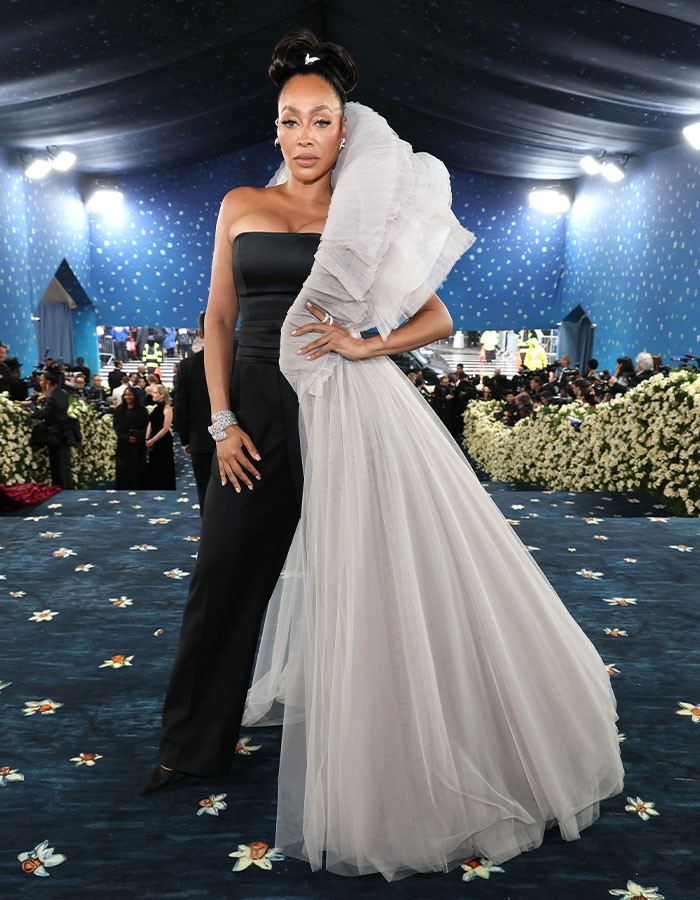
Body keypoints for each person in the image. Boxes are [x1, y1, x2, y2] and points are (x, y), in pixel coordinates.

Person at [143, 27, 624, 884]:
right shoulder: (239, 206)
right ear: (276, 126)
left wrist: (367, 347)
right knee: (222, 577)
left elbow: (436, 318)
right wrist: (219, 420)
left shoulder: (362, 216)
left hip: (344, 415)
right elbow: (217, 319)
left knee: (373, 583)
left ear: (344, 127)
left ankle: (396, 749)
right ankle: (190, 746)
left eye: (320, 119)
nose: (303, 135)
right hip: (251, 410)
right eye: (289, 118)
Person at [172, 311, 225, 513]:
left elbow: (181, 406)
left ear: (199, 334)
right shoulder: (238, 358)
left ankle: (211, 538)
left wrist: (185, 439)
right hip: (237, 437)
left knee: (205, 491)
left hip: (200, 441)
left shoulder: (187, 366)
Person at [30, 370, 75, 489]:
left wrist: (32, 404)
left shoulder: (52, 398)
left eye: (41, 380)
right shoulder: (63, 393)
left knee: (57, 465)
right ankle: (67, 489)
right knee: (65, 464)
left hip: (55, 434)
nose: (40, 383)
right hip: (64, 433)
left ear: (48, 382)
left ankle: (61, 490)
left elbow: (40, 415)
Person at [112, 386, 148, 489]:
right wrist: (126, 438)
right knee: (123, 469)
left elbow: (146, 426)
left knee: (138, 470)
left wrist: (138, 436)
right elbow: (116, 427)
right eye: (126, 395)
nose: (128, 397)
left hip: (138, 445)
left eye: (130, 395)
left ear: (135, 396)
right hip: (124, 445)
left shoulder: (142, 410)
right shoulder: (119, 410)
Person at [145, 384, 176, 490]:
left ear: (162, 395)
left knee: (163, 464)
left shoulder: (168, 409)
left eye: (155, 393)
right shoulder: (154, 407)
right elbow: (150, 423)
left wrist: (153, 440)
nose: (152, 395)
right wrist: (147, 438)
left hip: (163, 440)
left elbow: (165, 428)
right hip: (153, 438)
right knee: (153, 463)